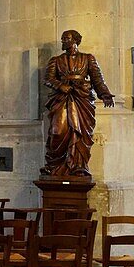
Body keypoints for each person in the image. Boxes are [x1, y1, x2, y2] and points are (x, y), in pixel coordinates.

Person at [40, 30, 114, 178]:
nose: (63, 41)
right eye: (62, 39)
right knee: (58, 131)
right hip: (62, 99)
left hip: (82, 99)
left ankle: (78, 166)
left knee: (80, 134)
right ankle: (54, 165)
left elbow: (97, 79)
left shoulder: (88, 58)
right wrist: (61, 86)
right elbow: (48, 78)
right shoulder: (56, 60)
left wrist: (105, 94)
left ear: (75, 40)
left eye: (66, 38)